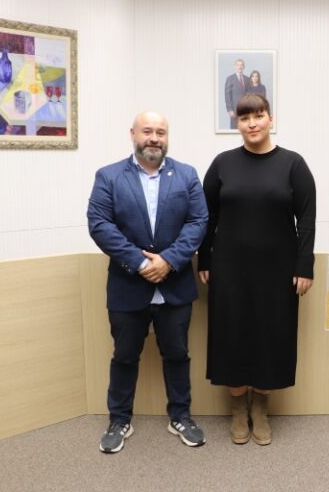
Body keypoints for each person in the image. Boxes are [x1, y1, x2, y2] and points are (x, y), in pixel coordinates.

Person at [87, 111, 209, 453]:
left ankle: (181, 416)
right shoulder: (109, 176)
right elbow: (99, 224)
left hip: (175, 285)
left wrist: (168, 261)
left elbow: (199, 221)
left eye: (161, 132)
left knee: (177, 354)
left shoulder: (186, 175)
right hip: (128, 285)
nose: (154, 138)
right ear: (132, 134)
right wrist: (141, 262)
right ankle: (119, 419)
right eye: (147, 131)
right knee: (124, 356)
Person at [198, 93, 316, 446]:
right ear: (237, 123)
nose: (252, 123)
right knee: (231, 333)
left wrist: (304, 265)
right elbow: (206, 216)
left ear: (270, 118)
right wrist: (204, 257)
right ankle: (238, 409)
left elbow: (306, 220)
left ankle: (260, 409)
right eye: (244, 117)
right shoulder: (222, 164)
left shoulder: (294, 164)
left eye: (259, 115)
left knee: (271, 334)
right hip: (229, 267)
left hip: (278, 269)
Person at [224, 59, 250, 129]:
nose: (240, 67)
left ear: (244, 67)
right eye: (238, 65)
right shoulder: (230, 78)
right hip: (234, 110)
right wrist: (230, 110)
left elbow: (249, 95)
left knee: (245, 129)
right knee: (234, 130)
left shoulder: (247, 79)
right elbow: (227, 96)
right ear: (235, 67)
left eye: (241, 65)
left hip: (245, 109)